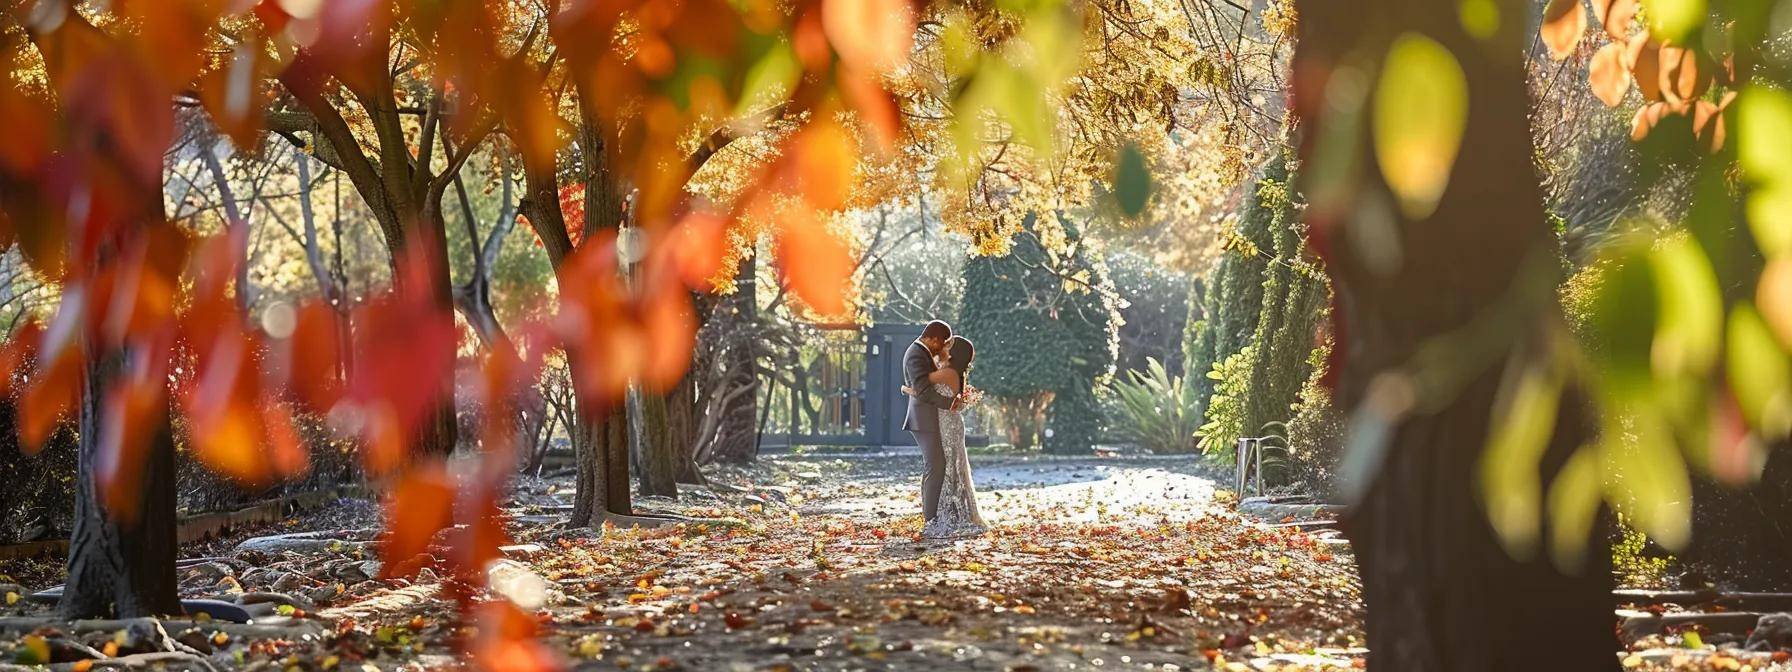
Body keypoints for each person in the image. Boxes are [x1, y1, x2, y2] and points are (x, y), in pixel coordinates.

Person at [906, 336, 986, 539]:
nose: (943, 346)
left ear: (953, 352)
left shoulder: (947, 372)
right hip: (946, 422)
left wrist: (904, 389)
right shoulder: (951, 372)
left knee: (950, 465)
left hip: (947, 425)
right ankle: (950, 509)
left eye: (947, 344)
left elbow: (921, 384)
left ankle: (949, 512)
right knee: (952, 466)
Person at [903, 320, 958, 522]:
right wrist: (950, 403)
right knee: (936, 465)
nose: (941, 347)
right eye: (941, 343)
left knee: (933, 465)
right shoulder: (916, 354)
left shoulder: (922, 351)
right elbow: (923, 391)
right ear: (932, 338)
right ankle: (930, 518)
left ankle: (930, 513)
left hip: (926, 416)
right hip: (923, 417)